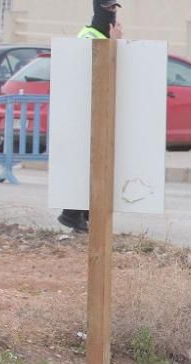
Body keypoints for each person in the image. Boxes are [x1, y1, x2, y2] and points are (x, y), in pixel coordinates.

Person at [58, 0, 123, 234]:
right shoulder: (88, 36)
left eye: (115, 9)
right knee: (86, 163)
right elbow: (96, 69)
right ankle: (72, 213)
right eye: (108, 9)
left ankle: (84, 216)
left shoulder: (101, 36)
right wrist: (114, 43)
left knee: (97, 164)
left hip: (97, 111)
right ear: (98, 9)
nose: (112, 14)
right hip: (84, 112)